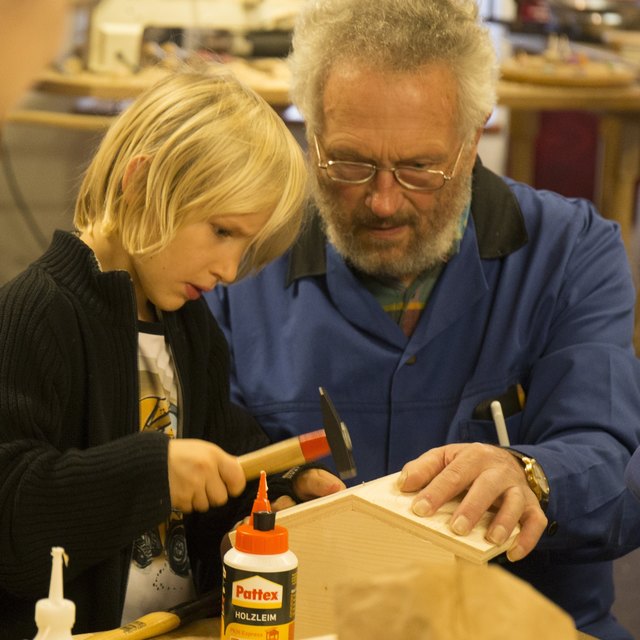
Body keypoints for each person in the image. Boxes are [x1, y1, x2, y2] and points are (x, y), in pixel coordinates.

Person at [205, 0, 640, 638]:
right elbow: (195, 477)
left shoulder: (570, 252)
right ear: (312, 134)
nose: (383, 202)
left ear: (473, 139)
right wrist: (269, 502)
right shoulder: (238, 265)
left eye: (419, 168)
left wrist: (530, 477)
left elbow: (616, 469)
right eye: (349, 163)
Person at [0, 70, 347, 639]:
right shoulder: (35, 316)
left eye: (244, 245)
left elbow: (223, 461)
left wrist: (278, 491)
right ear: (139, 182)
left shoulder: (191, 329)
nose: (230, 271)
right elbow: (12, 515)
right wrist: (150, 473)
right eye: (220, 231)